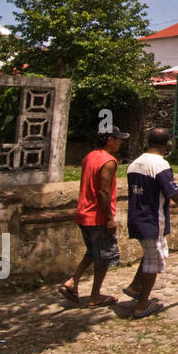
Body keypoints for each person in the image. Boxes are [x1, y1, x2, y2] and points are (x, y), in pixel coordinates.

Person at [124, 128, 178, 319]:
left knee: (152, 254)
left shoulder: (134, 164)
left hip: (136, 216)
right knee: (154, 261)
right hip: (151, 220)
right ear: (167, 145)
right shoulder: (160, 165)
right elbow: (174, 193)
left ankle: (135, 286)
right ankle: (142, 305)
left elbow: (149, 191)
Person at [60, 126, 128, 307]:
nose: (120, 142)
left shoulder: (89, 157)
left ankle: (73, 281)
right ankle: (95, 295)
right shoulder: (109, 161)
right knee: (103, 258)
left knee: (92, 252)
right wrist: (109, 219)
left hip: (83, 213)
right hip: (97, 216)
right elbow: (103, 192)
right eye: (118, 139)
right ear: (110, 140)